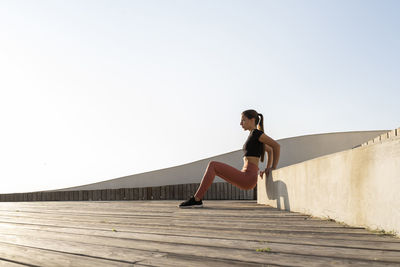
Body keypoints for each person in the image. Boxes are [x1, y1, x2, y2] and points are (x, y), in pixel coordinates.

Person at [179, 109, 281, 208]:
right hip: (248, 176)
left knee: (213, 165)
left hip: (248, 177)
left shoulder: (256, 133)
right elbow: (269, 150)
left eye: (243, 120)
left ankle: (196, 199)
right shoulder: (253, 135)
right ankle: (197, 199)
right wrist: (268, 167)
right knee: (214, 168)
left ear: (252, 120)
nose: (241, 123)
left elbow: (276, 146)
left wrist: (272, 167)